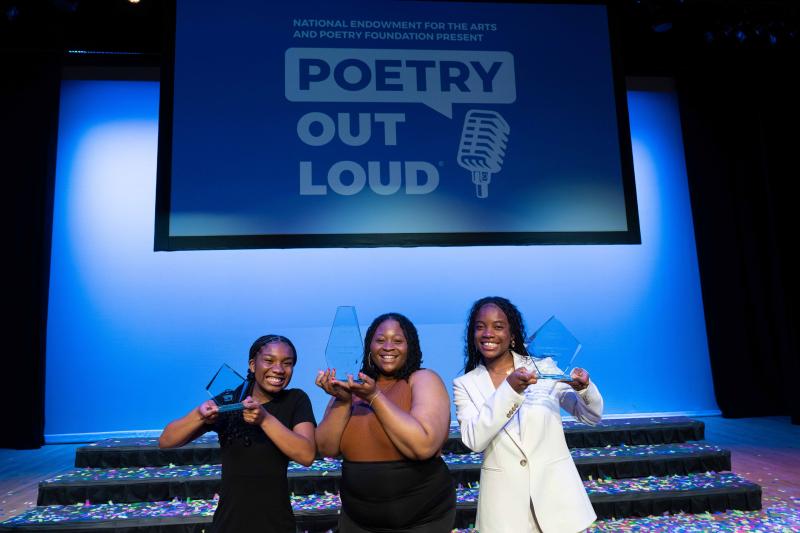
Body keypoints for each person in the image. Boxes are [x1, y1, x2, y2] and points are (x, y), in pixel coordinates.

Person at [453, 297, 603, 533]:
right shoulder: (465, 384)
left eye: (498, 326)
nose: (488, 333)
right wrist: (510, 389)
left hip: (558, 502)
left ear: (513, 335)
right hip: (505, 512)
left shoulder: (543, 367)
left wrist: (583, 388)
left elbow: (591, 416)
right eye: (480, 327)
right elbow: (474, 440)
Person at [158, 335, 316, 533]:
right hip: (229, 521)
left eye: (287, 363)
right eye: (269, 361)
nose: (278, 369)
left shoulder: (296, 400)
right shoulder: (231, 399)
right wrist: (199, 415)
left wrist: (265, 419)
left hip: (276, 522)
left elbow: (307, 454)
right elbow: (166, 440)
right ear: (252, 365)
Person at [315, 312, 456, 532]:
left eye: (398, 340)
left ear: (411, 347)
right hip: (357, 523)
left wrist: (374, 397)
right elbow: (326, 448)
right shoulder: (351, 387)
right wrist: (342, 402)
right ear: (369, 347)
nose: (388, 346)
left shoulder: (422, 379)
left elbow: (423, 446)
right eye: (380, 340)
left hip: (423, 521)